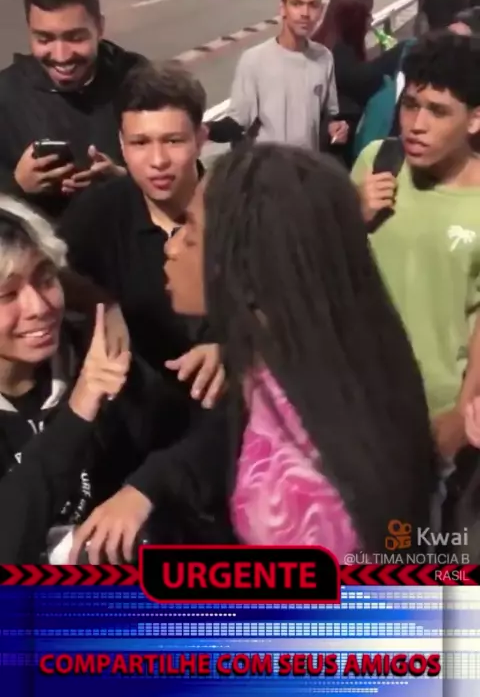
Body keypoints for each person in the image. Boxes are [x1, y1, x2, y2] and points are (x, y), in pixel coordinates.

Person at [70, 144, 437, 564]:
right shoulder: (307, 354)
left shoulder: (299, 501)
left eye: (191, 233)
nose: (171, 247)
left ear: (247, 266)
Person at [0, 194, 199, 563]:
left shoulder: (95, 357)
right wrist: (78, 411)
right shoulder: (90, 378)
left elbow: (187, 443)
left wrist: (143, 491)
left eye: (45, 279)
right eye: (7, 295)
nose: (39, 307)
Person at [59, 63, 224, 407]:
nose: (157, 160)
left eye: (173, 141)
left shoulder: (240, 212)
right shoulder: (96, 216)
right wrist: (101, 303)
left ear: (201, 138)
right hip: (141, 419)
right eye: (140, 143)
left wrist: (236, 349)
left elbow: (290, 309)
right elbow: (53, 276)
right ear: (121, 144)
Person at [352, 32, 480, 461]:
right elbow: (325, 267)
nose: (416, 125)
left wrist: (461, 412)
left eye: (438, 111)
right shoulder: (376, 161)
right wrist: (352, 214)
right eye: (410, 105)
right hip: (355, 400)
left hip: (436, 416)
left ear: (475, 120)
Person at [0, 0, 147, 221]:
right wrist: (17, 187)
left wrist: (124, 182)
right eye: (44, 39)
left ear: (100, 27)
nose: (61, 57)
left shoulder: (140, 82)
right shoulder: (6, 94)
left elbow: (186, 176)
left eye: (76, 38)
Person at [227, 0, 348, 152]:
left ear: (321, 10)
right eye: (297, 4)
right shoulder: (254, 60)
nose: (305, 13)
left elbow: (328, 115)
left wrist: (336, 128)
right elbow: (237, 122)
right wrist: (206, 130)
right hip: (267, 164)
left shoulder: (324, 57)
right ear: (283, 8)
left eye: (313, 5)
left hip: (307, 163)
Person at [312, 0, 407, 167]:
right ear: (353, 21)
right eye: (367, 14)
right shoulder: (340, 58)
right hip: (331, 156)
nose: (371, 20)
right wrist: (401, 49)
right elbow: (369, 77)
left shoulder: (321, 45)